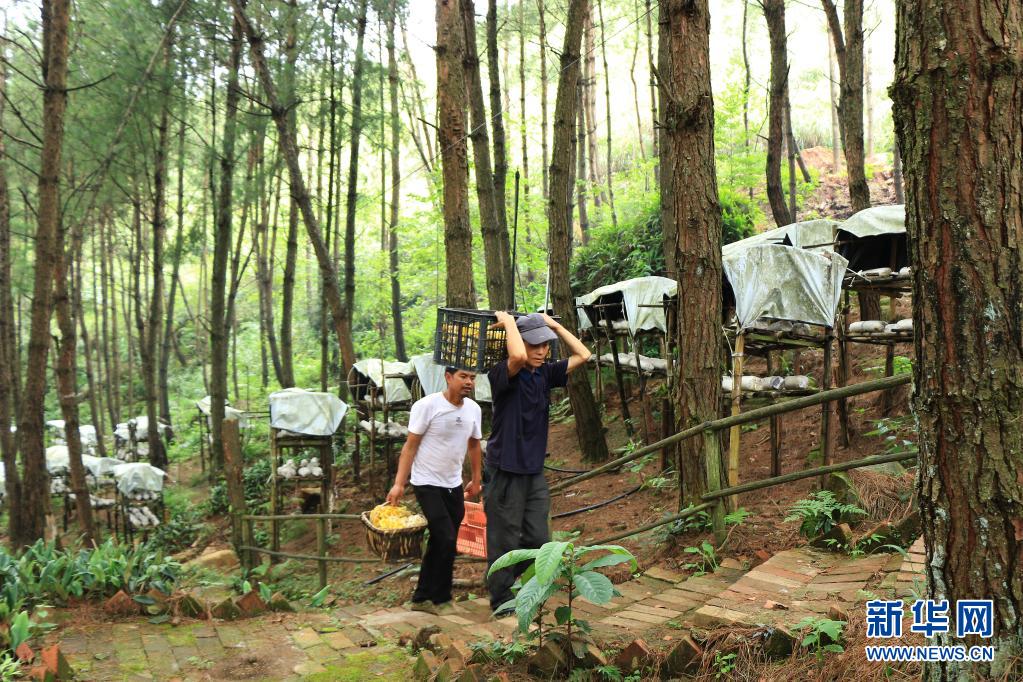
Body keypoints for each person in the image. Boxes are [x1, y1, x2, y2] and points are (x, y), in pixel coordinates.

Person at [484, 312, 591, 616]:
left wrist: (553, 325)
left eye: (545, 344)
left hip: (533, 471)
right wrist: (508, 322)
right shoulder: (502, 373)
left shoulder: (544, 374)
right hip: (504, 469)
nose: (541, 351)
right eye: (534, 345)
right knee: (503, 538)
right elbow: (517, 356)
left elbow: (584, 355)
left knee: (539, 539)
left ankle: (503, 577)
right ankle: (501, 600)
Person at [387, 366, 483, 614]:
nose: (469, 382)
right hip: (426, 482)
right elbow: (410, 447)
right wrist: (399, 483)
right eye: (463, 376)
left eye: (472, 378)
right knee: (446, 537)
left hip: (453, 483)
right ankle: (440, 598)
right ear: (448, 377)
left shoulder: (474, 409)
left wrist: (476, 478)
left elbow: (474, 445)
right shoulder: (427, 406)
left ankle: (422, 597)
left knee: (443, 541)